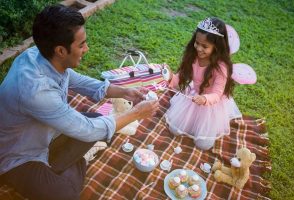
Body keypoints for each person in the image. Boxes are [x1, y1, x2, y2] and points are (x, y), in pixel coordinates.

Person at [0, 5, 159, 200]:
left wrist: (125, 92)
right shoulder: (36, 90)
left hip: (46, 136)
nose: (87, 49)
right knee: (66, 194)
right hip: (18, 155)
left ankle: (58, 164)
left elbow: (78, 81)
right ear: (60, 50)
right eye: (82, 44)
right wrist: (135, 114)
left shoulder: (38, 54)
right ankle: (73, 163)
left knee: (95, 119)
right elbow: (87, 129)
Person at [165, 17, 242, 150]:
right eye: (197, 43)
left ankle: (202, 127)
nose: (199, 48)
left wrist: (204, 99)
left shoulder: (221, 67)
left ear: (217, 47)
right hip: (194, 95)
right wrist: (170, 77)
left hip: (211, 103)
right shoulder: (193, 56)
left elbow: (217, 94)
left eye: (205, 46)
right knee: (174, 129)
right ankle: (191, 122)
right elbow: (181, 77)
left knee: (203, 145)